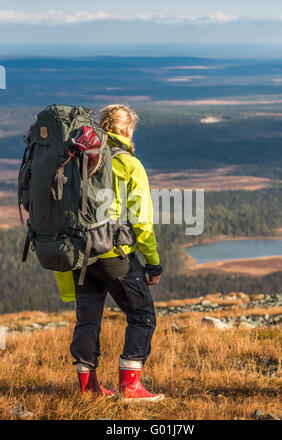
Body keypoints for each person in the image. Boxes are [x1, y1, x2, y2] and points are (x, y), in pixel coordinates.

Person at [56, 104, 164, 402]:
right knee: (142, 314)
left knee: (88, 318)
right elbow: (141, 222)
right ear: (128, 130)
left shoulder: (79, 157)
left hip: (79, 251)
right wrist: (153, 264)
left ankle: (87, 388)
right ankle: (130, 386)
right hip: (112, 253)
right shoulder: (130, 165)